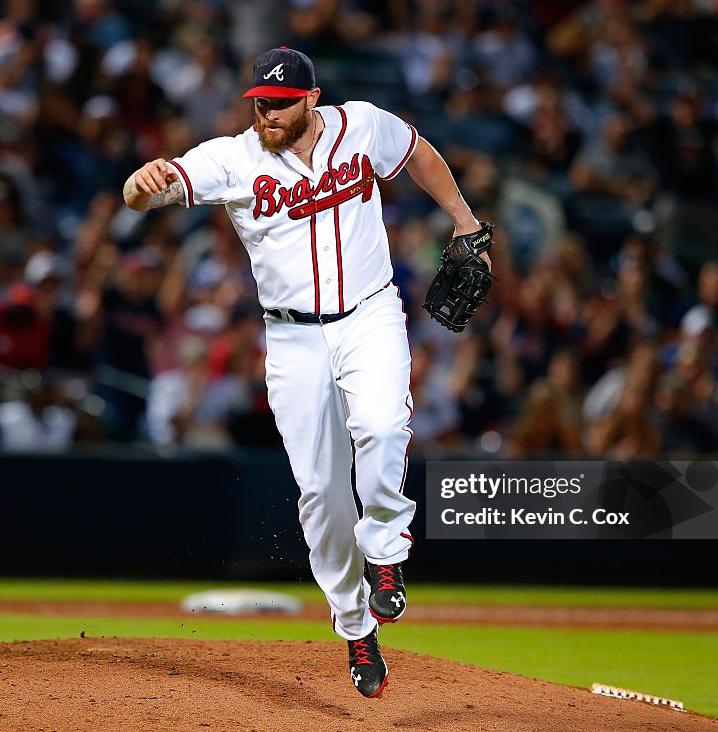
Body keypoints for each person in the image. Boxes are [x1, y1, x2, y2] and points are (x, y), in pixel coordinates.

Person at [122, 47, 490, 698]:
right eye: (260, 102)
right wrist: (141, 184)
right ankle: (355, 626)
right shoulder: (234, 158)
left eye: (281, 103)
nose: (267, 112)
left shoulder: (361, 125)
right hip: (292, 337)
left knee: (382, 425)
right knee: (321, 493)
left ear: (311, 100)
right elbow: (152, 191)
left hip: (370, 312)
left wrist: (464, 221)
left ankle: (386, 555)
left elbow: (418, 152)